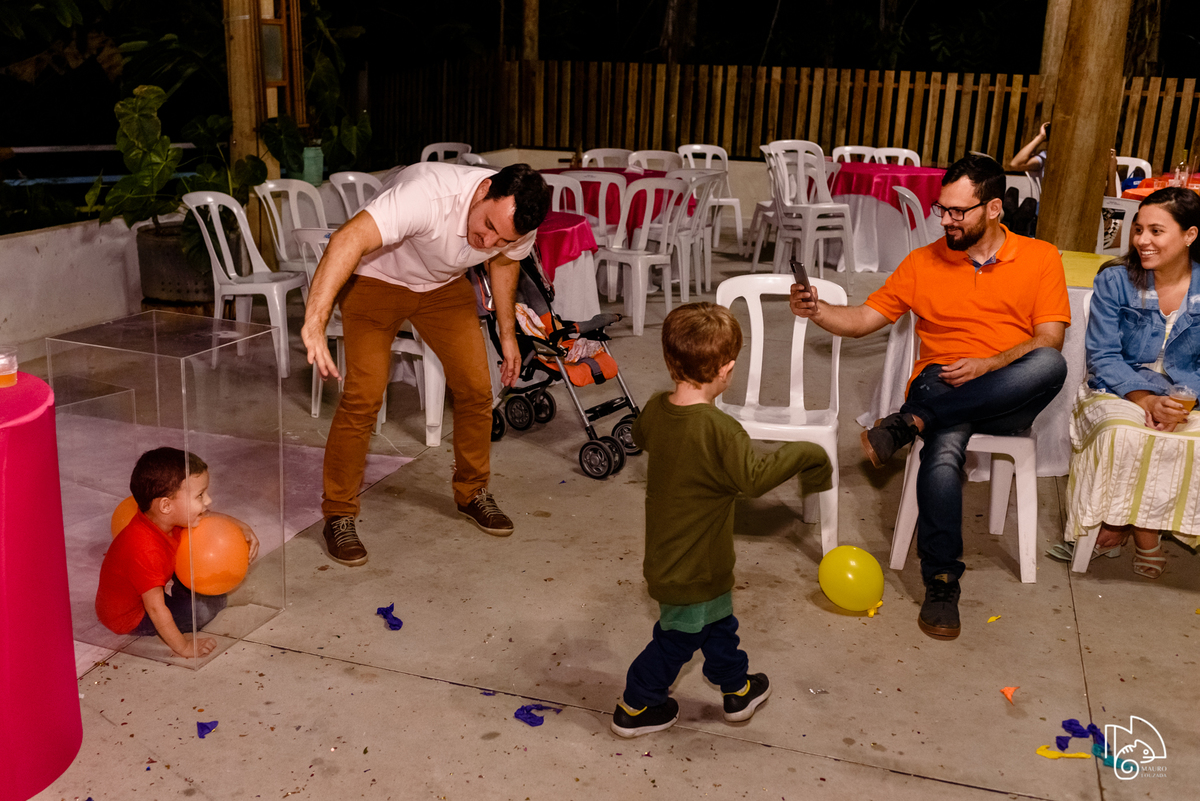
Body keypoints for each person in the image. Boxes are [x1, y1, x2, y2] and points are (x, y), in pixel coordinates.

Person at [790, 153, 1070, 641]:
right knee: (942, 453)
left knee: (1050, 364)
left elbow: (1050, 339)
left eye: (958, 211)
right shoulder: (923, 261)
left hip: (1005, 389)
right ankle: (941, 581)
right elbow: (862, 320)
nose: (945, 220)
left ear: (994, 208)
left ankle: (910, 421)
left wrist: (988, 364)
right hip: (941, 381)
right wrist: (818, 310)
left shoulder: (1040, 257)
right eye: (942, 209)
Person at [301, 162, 551, 565]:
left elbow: (505, 262)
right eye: (488, 225)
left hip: (442, 287)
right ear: (483, 190)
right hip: (375, 280)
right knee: (364, 397)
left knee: (477, 389)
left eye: (501, 238)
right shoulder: (426, 194)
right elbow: (347, 239)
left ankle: (472, 492)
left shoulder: (517, 222)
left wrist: (508, 334)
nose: (488, 241)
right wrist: (315, 321)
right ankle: (338, 513)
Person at [610, 303, 833, 738]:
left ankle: (737, 690)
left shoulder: (655, 409)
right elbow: (753, 479)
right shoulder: (721, 430)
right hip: (693, 565)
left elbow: (640, 435)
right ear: (726, 370)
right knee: (677, 638)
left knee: (717, 624)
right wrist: (806, 452)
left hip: (673, 555)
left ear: (669, 360)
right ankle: (636, 704)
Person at [1059, 187, 1200, 578]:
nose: (1142, 240)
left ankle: (1124, 524)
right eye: (1138, 229)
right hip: (1118, 386)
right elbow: (1103, 357)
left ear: (1190, 235)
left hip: (1188, 395)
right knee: (1123, 434)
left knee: (1188, 440)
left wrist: (1180, 401)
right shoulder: (1116, 280)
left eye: (1156, 231)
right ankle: (1140, 532)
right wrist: (1147, 399)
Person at [95, 448, 259, 658]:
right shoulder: (144, 548)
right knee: (202, 611)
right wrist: (185, 647)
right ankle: (218, 600)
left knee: (199, 578)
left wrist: (242, 526)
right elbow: (156, 609)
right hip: (132, 616)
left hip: (146, 591)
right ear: (166, 505)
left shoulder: (161, 519)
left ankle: (204, 594)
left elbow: (206, 516)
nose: (208, 500)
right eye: (200, 495)